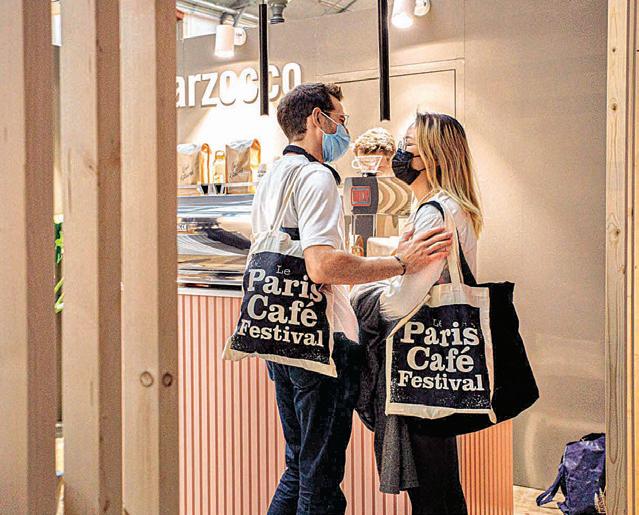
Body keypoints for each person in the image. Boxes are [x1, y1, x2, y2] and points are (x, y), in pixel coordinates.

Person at [254, 83, 453, 515]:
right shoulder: (317, 176)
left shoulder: (271, 176)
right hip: (319, 341)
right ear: (317, 119)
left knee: (298, 469)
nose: (344, 131)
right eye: (340, 121)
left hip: (277, 337)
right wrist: (399, 262)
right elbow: (322, 266)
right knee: (320, 480)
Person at [352, 112, 483, 515]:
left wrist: (363, 294)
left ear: (433, 156)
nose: (400, 154)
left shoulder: (434, 212)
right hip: (440, 360)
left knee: (430, 489)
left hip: (419, 360)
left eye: (408, 146)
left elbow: (401, 302)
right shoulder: (455, 207)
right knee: (442, 483)